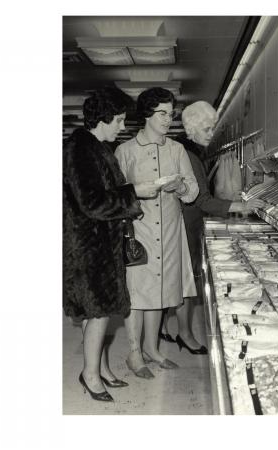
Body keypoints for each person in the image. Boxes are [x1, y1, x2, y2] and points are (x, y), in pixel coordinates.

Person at [63, 87, 160, 401]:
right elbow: (91, 202)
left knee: (97, 312)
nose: (122, 126)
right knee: (99, 311)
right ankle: (90, 375)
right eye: (118, 120)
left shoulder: (93, 145)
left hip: (97, 243)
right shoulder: (80, 148)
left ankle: (100, 368)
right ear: (102, 119)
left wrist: (131, 192)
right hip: (88, 246)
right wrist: (136, 193)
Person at [160, 101, 265, 353]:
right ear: (193, 129)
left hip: (177, 222)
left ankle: (162, 329)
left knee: (174, 279)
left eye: (211, 128)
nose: (211, 134)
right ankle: (185, 334)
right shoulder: (191, 156)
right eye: (206, 129)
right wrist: (239, 206)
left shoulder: (183, 149)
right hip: (186, 224)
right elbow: (202, 199)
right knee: (188, 283)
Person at [115, 87, 199, 379]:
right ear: (147, 115)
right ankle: (134, 353)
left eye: (170, 113)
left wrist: (181, 187)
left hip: (171, 229)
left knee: (161, 290)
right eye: (162, 113)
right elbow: (116, 194)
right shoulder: (125, 151)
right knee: (137, 293)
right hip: (139, 230)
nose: (168, 119)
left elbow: (192, 191)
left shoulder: (176, 150)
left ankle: (152, 349)